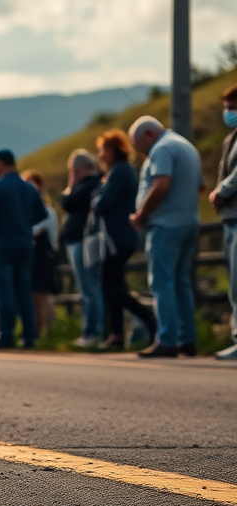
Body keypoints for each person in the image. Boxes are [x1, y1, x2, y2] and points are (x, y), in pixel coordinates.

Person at [130, 116, 204, 357]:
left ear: (149, 135)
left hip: (166, 224)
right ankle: (186, 338)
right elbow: (199, 187)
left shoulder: (161, 149)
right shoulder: (186, 146)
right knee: (181, 282)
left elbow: (161, 185)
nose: (139, 151)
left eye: (138, 145)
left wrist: (142, 214)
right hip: (188, 221)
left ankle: (167, 339)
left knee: (162, 283)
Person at [92, 129, 156, 350]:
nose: (100, 155)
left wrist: (97, 198)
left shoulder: (119, 172)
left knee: (111, 287)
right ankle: (117, 334)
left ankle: (146, 315)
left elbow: (102, 204)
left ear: (111, 150)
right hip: (119, 237)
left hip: (118, 238)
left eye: (102, 150)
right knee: (114, 285)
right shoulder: (122, 171)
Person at [0, 148, 48, 349]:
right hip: (25, 244)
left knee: (5, 292)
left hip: (2, 245)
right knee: (24, 291)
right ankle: (28, 336)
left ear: (0, 164)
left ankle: (7, 333)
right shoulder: (29, 189)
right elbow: (41, 214)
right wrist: (24, 223)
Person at [61, 149, 105, 347]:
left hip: (83, 241)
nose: (73, 175)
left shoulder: (90, 184)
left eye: (75, 170)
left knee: (89, 288)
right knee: (87, 288)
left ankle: (93, 331)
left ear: (85, 168)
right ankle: (92, 330)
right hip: (77, 241)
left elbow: (67, 202)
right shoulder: (90, 185)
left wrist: (71, 184)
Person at [211, 82, 237, 360]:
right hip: (230, 217)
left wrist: (221, 191)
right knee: (234, 283)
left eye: (232, 108)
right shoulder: (231, 138)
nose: (228, 113)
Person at [23, 170, 61, 339]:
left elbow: (52, 235)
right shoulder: (26, 211)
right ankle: (36, 331)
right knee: (32, 296)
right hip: (31, 258)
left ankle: (44, 332)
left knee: (41, 296)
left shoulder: (47, 211)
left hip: (42, 257)